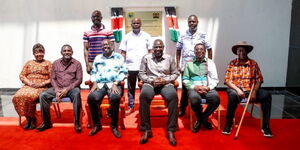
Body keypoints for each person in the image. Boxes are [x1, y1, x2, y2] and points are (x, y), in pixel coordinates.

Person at [222, 41, 273, 138]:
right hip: (237, 90)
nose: (241, 53)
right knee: (232, 96)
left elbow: (259, 79)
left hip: (251, 90)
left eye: (243, 50)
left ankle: (265, 126)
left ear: (247, 52)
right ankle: (228, 124)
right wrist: (238, 90)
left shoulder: (253, 63)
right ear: (236, 52)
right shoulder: (232, 63)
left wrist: (254, 91)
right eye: (239, 51)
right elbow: (227, 81)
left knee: (266, 95)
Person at [139, 39, 180, 146]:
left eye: (160, 47)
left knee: (173, 96)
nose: (158, 49)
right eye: (156, 47)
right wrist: (151, 80)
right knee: (143, 96)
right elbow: (141, 74)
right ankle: (146, 129)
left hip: (165, 83)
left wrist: (165, 80)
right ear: (152, 48)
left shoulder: (169, 58)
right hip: (150, 83)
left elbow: (176, 73)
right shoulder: (146, 58)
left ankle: (171, 129)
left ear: (163, 47)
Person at [36, 44, 83, 133]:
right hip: (58, 87)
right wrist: (57, 90)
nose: (67, 52)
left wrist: (67, 89)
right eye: (64, 51)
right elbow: (52, 78)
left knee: (77, 94)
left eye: (69, 50)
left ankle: (77, 123)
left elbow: (79, 80)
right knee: (43, 95)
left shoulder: (77, 64)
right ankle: (46, 123)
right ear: (61, 52)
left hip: (71, 88)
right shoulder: (56, 63)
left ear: (72, 52)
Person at [87, 39, 128, 138]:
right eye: (103, 45)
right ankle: (97, 125)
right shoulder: (98, 58)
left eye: (107, 44)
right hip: (100, 84)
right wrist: (94, 81)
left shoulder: (118, 57)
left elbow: (124, 72)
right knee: (91, 97)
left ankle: (114, 126)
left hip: (113, 83)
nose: (105, 46)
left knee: (115, 97)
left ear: (112, 46)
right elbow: (93, 72)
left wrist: (116, 82)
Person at [176, 15, 213, 117]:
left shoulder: (202, 34)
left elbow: (209, 48)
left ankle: (197, 105)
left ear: (197, 22)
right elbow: (178, 49)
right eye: (190, 22)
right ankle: (182, 108)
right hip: (185, 65)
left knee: (200, 84)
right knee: (185, 88)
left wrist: (209, 63)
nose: (192, 23)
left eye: (194, 22)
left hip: (200, 65)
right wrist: (177, 64)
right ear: (188, 23)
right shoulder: (182, 34)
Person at [12, 43, 52, 130]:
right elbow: (22, 75)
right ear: (33, 54)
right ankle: (28, 118)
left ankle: (33, 119)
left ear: (44, 52)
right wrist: (29, 83)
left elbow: (52, 78)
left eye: (41, 52)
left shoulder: (48, 63)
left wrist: (41, 84)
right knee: (18, 96)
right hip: (29, 85)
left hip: (42, 86)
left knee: (30, 96)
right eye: (37, 53)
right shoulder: (29, 63)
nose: (39, 54)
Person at [183, 43, 220, 133]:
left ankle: (201, 119)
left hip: (208, 87)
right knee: (194, 99)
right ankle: (203, 120)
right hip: (194, 88)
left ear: (205, 51)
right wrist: (195, 87)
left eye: (201, 49)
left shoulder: (210, 63)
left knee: (216, 99)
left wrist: (208, 87)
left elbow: (215, 79)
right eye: (197, 49)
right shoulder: (189, 63)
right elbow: (185, 79)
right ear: (194, 52)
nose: (199, 51)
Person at [119, 17, 152, 115]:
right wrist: (122, 66)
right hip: (130, 67)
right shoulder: (126, 36)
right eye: (134, 23)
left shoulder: (147, 36)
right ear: (131, 24)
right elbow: (123, 52)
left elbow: (150, 51)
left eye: (138, 23)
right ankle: (131, 106)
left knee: (144, 87)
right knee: (131, 88)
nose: (136, 25)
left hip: (143, 68)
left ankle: (144, 106)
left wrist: (150, 66)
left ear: (141, 24)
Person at [83, 10, 114, 74]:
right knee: (93, 82)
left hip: (105, 61)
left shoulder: (108, 32)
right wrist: (87, 65)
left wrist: (111, 62)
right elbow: (86, 49)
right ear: (91, 18)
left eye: (97, 16)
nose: (95, 18)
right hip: (92, 62)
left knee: (106, 81)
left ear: (101, 18)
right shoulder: (87, 33)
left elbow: (112, 48)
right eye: (94, 17)